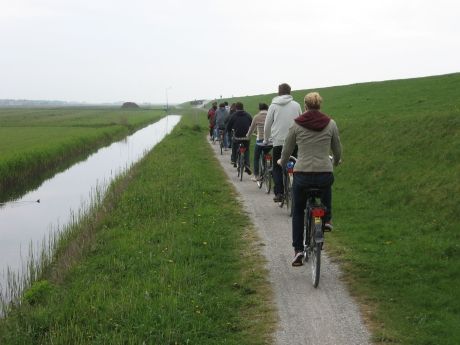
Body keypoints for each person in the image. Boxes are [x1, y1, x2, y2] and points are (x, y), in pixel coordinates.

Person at [278, 92, 342, 266]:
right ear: (320, 105)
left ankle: (298, 250)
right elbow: (337, 149)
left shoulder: (296, 125)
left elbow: (287, 149)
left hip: (303, 174)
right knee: (327, 185)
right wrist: (336, 161)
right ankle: (327, 219)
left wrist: (282, 162)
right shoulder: (331, 124)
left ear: (305, 106)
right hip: (324, 173)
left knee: (298, 211)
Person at [264, 83, 302, 202]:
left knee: (277, 166)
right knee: (295, 166)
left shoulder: (273, 106)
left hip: (278, 142)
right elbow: (301, 122)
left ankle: (279, 192)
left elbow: (267, 125)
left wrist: (266, 139)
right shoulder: (296, 105)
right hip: (294, 141)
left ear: (278, 92)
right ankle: (298, 192)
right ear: (290, 92)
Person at [227, 102, 253, 174]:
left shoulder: (233, 115)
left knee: (234, 145)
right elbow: (252, 124)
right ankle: (247, 165)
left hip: (237, 136)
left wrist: (229, 132)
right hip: (246, 137)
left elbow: (229, 126)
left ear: (236, 108)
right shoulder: (248, 115)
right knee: (247, 149)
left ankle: (234, 160)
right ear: (243, 107)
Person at [246, 103, 270, 181]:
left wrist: (248, 136)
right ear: (267, 108)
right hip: (271, 140)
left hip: (260, 141)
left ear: (259, 109)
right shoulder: (271, 116)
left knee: (256, 157)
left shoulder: (257, 117)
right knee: (267, 154)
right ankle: (269, 170)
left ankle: (256, 176)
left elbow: (251, 129)